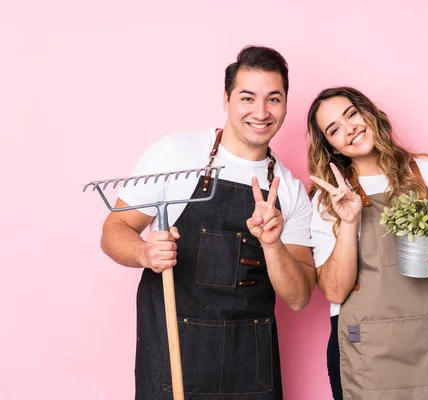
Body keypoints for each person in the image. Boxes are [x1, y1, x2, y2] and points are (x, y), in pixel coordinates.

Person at [100, 45, 316, 400]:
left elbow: (298, 297)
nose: (260, 112)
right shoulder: (175, 153)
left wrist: (272, 244)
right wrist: (144, 253)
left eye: (273, 99)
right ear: (227, 99)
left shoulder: (290, 191)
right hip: (173, 363)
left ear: (286, 105)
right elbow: (113, 232)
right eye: (247, 97)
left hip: (251, 370)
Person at [307, 86, 428, 400]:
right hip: (369, 352)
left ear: (369, 112)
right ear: (330, 146)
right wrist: (348, 223)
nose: (350, 129)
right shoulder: (329, 199)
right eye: (334, 129)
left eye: (352, 114)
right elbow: (334, 291)